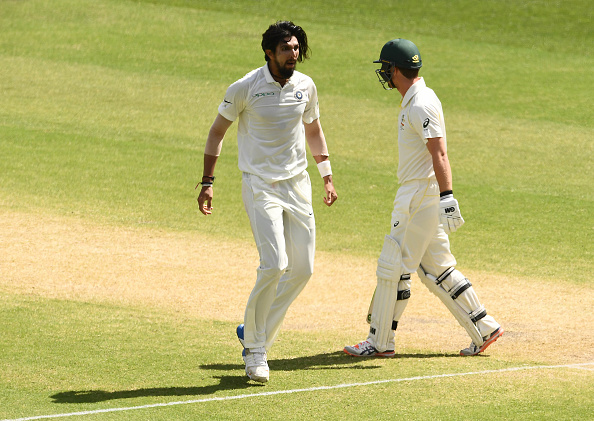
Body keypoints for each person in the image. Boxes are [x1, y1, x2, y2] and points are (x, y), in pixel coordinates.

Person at [197, 21, 337, 383]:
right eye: (286, 49)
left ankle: (253, 331)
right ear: (269, 53)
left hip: (297, 184)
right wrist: (207, 182)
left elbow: (314, 129)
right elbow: (216, 132)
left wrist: (327, 174)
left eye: (296, 48)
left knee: (302, 269)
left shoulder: (306, 86)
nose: (293, 54)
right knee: (274, 264)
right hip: (259, 185)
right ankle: (256, 350)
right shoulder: (245, 87)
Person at [344, 38, 502, 358]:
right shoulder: (416, 99)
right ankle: (484, 327)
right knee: (437, 268)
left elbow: (439, 152)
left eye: (386, 69)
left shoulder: (420, 104)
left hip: (418, 196)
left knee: (394, 266)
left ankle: (379, 342)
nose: (385, 75)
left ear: (397, 70)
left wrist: (447, 196)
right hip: (421, 195)